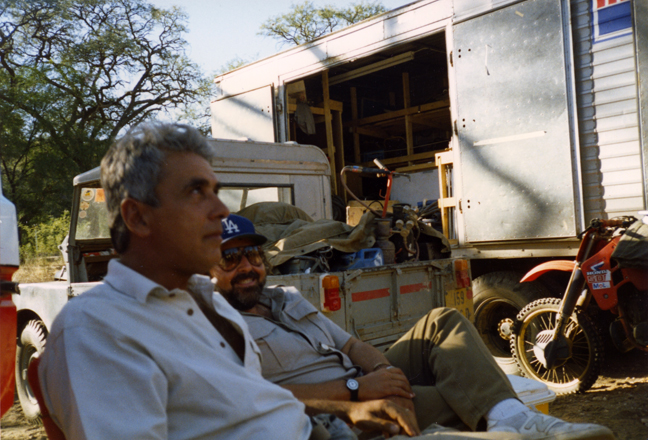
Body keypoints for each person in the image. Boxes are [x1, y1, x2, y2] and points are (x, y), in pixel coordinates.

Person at [37, 122, 422, 440]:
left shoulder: (211, 305)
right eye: (195, 193)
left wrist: (353, 412)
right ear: (137, 218)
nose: (221, 211)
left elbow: (254, 405)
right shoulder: (98, 330)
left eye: (216, 192)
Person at [211, 214, 616, 440]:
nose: (247, 267)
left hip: (362, 382)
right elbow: (257, 396)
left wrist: (383, 373)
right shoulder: (214, 325)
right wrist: (357, 391)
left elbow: (351, 345)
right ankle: (510, 424)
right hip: (332, 409)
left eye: (252, 255)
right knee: (463, 397)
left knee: (443, 320)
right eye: (230, 259)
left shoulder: (284, 298)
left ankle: (514, 418)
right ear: (205, 268)